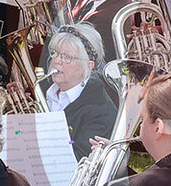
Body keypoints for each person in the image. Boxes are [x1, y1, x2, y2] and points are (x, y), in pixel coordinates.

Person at [40, 24, 116, 160]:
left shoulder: (101, 112)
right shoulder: (41, 87)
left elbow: (80, 159)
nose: (56, 60)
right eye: (54, 53)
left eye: (67, 57)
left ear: (88, 66)